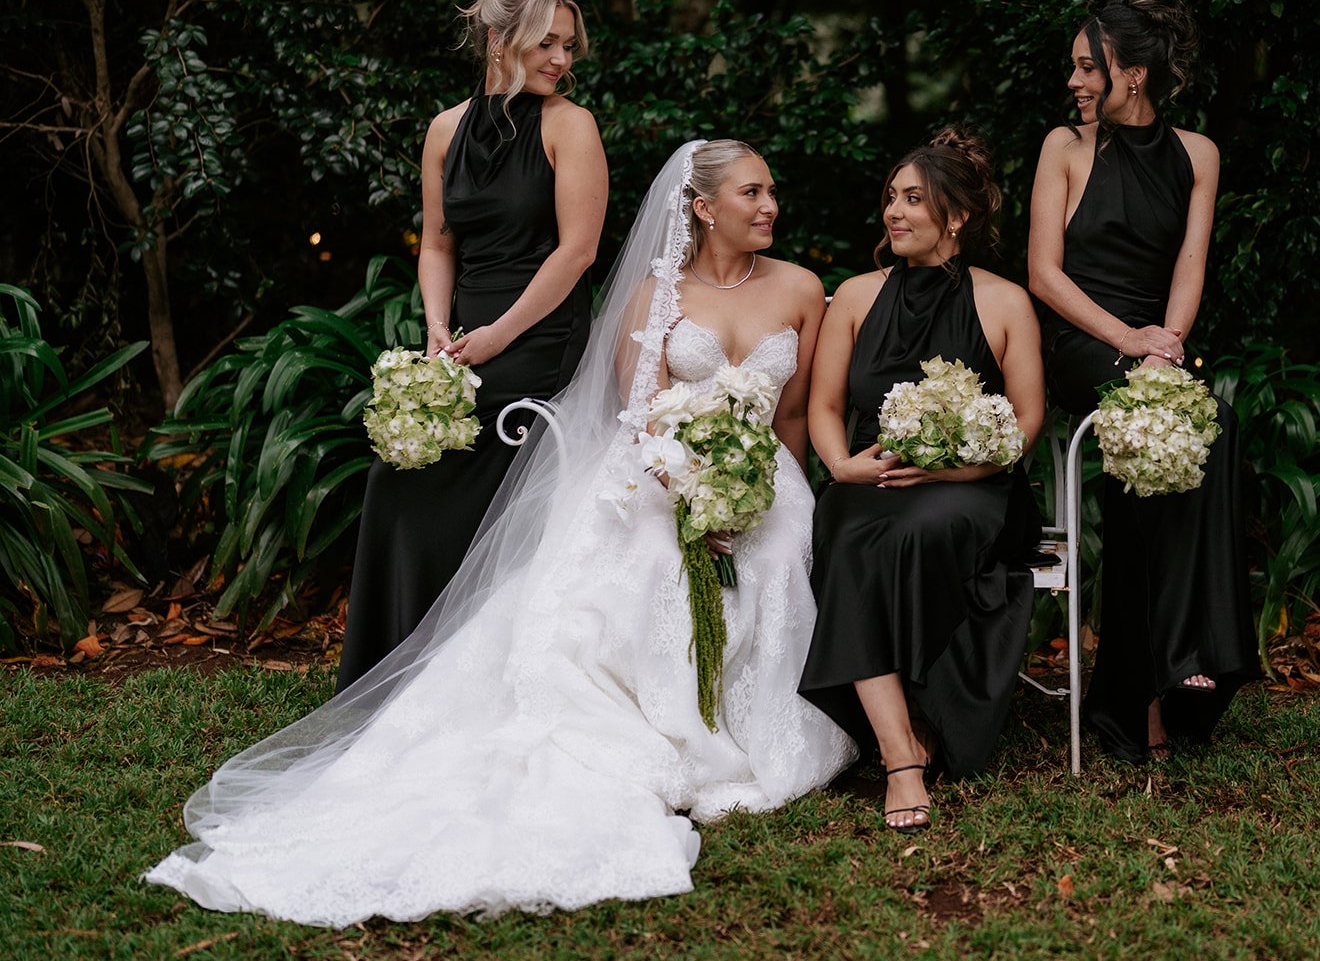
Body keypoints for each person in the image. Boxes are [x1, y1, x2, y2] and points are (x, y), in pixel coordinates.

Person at [145, 140, 854, 924]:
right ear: (703, 206)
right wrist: (689, 489)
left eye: (772, 192)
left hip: (762, 471)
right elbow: (638, 410)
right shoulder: (657, 291)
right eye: (752, 192)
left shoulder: (801, 287)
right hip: (662, 465)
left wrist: (763, 493)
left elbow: (791, 416)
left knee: (783, 548)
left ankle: (748, 728)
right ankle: (661, 728)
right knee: (654, 556)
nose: (769, 207)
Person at [337, 0, 607, 690]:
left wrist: (499, 335)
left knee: (452, 463)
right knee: (396, 476)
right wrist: (434, 327)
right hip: (463, 338)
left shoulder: (569, 126)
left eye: (566, 43)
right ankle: (398, 669)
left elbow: (577, 253)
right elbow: (437, 243)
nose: (562, 57)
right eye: (545, 42)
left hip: (540, 334)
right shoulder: (444, 131)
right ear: (498, 41)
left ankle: (470, 667)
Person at [1026, 0, 1257, 764]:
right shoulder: (1065, 149)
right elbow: (1044, 275)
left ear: (1131, 73)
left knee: (1212, 430)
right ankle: (1142, 694)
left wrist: (1168, 342)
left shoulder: (1199, 154)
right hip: (1083, 336)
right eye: (1074, 68)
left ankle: (1183, 663)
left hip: (1157, 338)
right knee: (1136, 424)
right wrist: (1128, 337)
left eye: (1088, 68)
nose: (1075, 83)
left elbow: (1190, 264)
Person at [799, 129, 1045, 831]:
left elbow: (1027, 421)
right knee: (852, 535)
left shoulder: (1004, 303)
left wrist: (958, 464)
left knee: (919, 530)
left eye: (913, 199)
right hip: (867, 481)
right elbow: (823, 406)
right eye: (891, 198)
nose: (893, 212)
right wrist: (841, 464)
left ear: (956, 216)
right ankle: (901, 751)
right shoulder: (851, 295)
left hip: (976, 486)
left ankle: (916, 730)